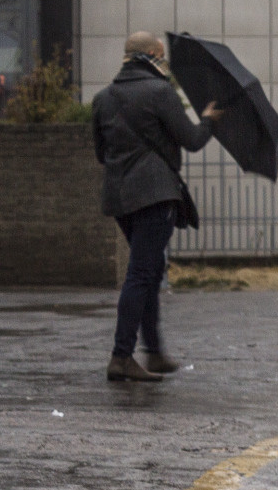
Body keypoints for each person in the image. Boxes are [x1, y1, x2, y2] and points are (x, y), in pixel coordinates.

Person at [90, 32, 222, 382]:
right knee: (141, 273)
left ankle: (155, 352)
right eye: (160, 57)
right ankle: (121, 356)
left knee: (147, 267)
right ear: (150, 55)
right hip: (156, 195)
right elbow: (192, 140)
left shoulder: (103, 98)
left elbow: (101, 154)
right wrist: (208, 119)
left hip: (120, 198)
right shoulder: (160, 92)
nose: (164, 63)